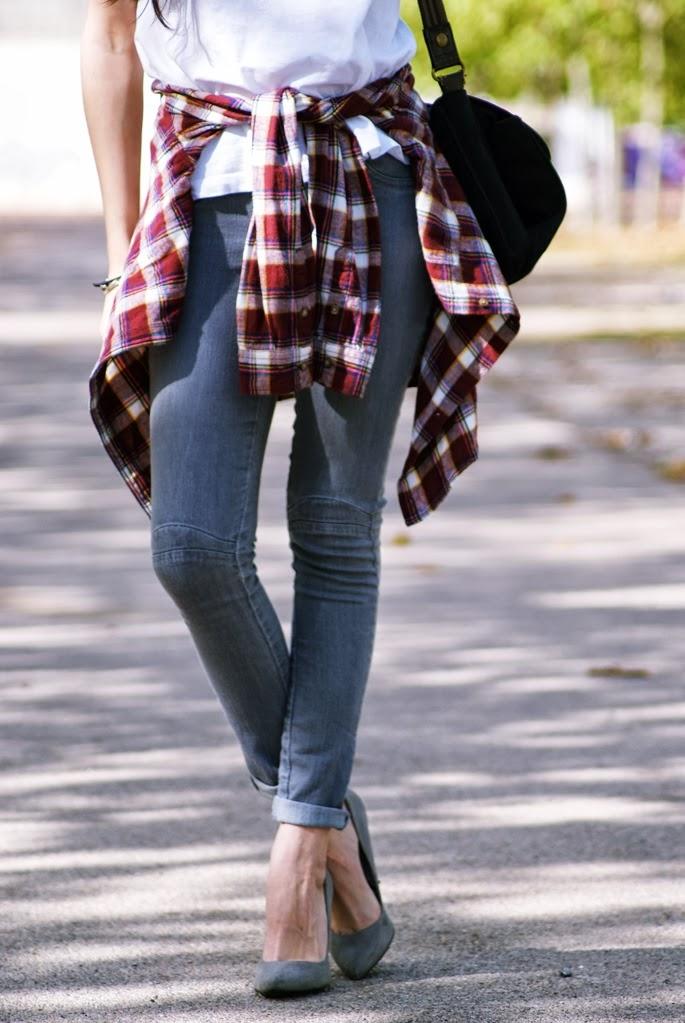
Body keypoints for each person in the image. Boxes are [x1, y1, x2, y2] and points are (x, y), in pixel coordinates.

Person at [80, 0, 519, 998]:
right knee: (190, 546)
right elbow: (109, 35)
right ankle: (335, 842)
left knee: (332, 533)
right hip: (210, 190)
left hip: (374, 175)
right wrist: (120, 263)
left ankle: (294, 862)